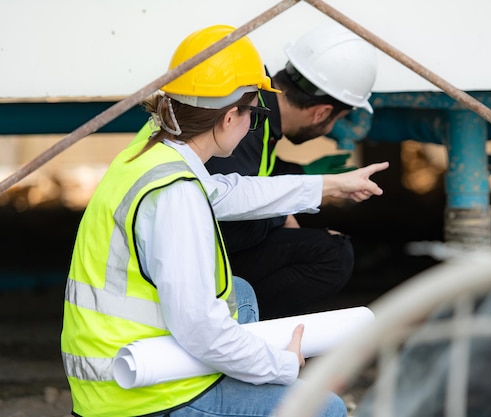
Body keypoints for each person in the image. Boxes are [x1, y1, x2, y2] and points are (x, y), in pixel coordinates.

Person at [60, 24, 388, 417]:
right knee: (326, 409)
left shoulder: (154, 151)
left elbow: (226, 191)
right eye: (253, 112)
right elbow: (200, 329)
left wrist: (328, 185)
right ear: (231, 116)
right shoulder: (175, 195)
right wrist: (280, 364)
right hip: (141, 395)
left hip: (116, 364)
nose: (255, 123)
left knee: (241, 295)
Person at [133, 23, 379, 319]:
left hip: (164, 265)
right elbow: (226, 214)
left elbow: (236, 186)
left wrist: (303, 177)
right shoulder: (243, 124)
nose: (248, 114)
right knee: (331, 255)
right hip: (181, 272)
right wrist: (281, 217)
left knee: (322, 247)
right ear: (322, 112)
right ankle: (245, 326)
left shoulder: (251, 123)